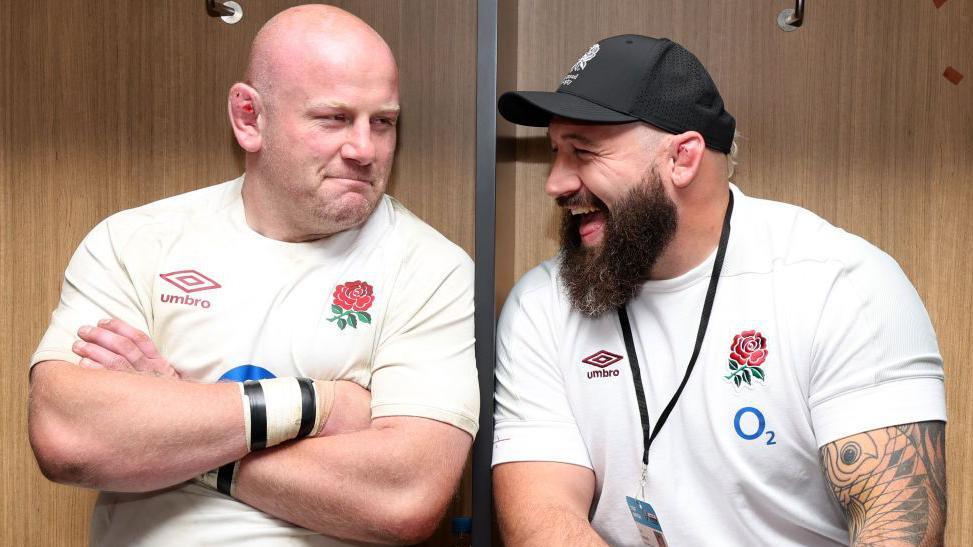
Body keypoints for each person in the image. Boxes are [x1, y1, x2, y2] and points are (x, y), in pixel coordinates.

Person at [27, 5, 478, 546]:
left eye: (382, 121)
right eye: (332, 118)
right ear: (249, 117)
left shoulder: (431, 268)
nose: (364, 149)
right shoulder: (134, 241)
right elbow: (67, 437)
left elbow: (405, 499)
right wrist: (317, 405)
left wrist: (173, 427)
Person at [492, 34, 946, 546]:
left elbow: (898, 528)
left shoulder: (840, 285)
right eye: (555, 152)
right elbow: (542, 513)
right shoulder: (542, 302)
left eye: (582, 152)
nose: (555, 183)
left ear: (682, 158)